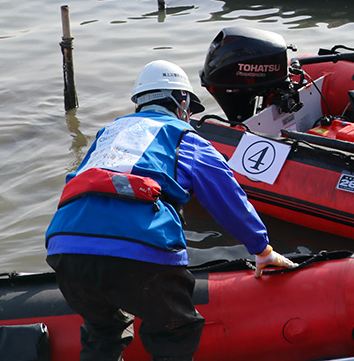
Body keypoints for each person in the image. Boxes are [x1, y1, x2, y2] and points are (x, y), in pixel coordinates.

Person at [45, 60, 295, 361]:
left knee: (102, 333)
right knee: (174, 334)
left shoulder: (108, 134)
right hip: (141, 246)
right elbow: (228, 199)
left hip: (66, 247)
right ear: (183, 102)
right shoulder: (185, 138)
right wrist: (262, 248)